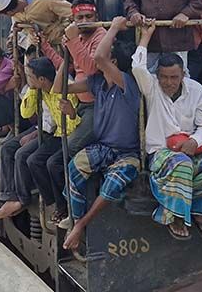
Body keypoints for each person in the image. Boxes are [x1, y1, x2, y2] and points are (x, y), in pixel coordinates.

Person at [132, 20, 202, 242]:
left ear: (183, 74)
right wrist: (146, 37)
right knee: (181, 165)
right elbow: (138, 67)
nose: (168, 82)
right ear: (158, 75)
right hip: (161, 153)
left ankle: (200, 212)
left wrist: (194, 142)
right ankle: (174, 215)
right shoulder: (152, 88)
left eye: (174, 77)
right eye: (164, 77)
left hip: (191, 148)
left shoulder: (195, 89)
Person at [58, 18, 142, 250]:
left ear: (113, 62)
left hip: (127, 152)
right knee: (73, 168)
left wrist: (113, 27)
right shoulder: (96, 83)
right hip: (103, 148)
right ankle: (75, 218)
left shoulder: (128, 85)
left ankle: (81, 224)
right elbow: (59, 88)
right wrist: (67, 57)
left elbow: (98, 58)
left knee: (114, 183)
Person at [0, 57, 80, 221]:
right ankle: (12, 197)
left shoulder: (64, 89)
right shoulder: (41, 89)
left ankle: (56, 204)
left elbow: (71, 125)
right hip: (53, 132)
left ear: (42, 79)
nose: (28, 80)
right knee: (13, 150)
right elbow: (26, 113)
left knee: (36, 160)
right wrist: (32, 89)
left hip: (66, 134)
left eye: (30, 76)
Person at [41, 0, 105, 157]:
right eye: (80, 17)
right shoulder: (79, 37)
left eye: (89, 17)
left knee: (71, 146)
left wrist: (73, 40)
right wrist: (45, 46)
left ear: (96, 17)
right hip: (79, 103)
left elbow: (91, 68)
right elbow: (67, 65)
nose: (84, 21)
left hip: (96, 104)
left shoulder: (100, 36)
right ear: (73, 20)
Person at [0, 0, 73, 45]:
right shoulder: (15, 12)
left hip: (60, 42)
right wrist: (20, 28)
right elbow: (25, 27)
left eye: (4, 14)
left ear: (10, 11)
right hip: (37, 46)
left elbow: (73, 12)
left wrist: (62, 30)